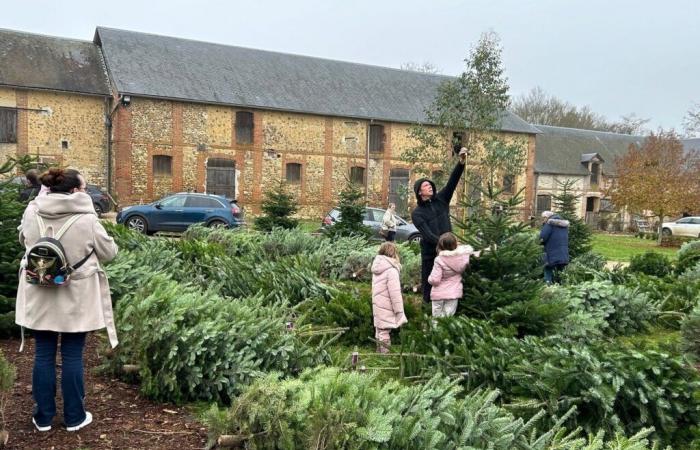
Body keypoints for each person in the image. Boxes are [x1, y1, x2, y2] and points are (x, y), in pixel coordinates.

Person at [16, 168, 119, 432]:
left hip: (39, 293)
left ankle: (43, 418)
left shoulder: (32, 212)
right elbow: (109, 253)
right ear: (74, 191)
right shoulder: (87, 220)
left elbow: (23, 240)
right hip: (76, 298)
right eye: (84, 188)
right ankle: (74, 417)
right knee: (73, 356)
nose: (86, 192)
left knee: (43, 354)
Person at [411, 147, 468, 303]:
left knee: (450, 280)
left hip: (449, 250)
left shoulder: (442, 199)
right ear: (420, 193)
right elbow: (428, 235)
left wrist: (461, 163)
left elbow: (452, 182)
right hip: (431, 252)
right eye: (425, 186)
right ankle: (427, 307)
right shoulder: (417, 213)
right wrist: (447, 244)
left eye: (430, 184)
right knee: (430, 281)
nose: (430, 186)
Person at [428, 232, 476, 319]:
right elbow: (477, 254)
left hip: (438, 295)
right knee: (447, 318)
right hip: (453, 293)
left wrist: (429, 279)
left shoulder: (439, 259)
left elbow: (435, 280)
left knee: (436, 318)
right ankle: (444, 332)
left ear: (440, 246)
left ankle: (435, 332)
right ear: (455, 244)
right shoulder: (464, 257)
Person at [371, 242, 407, 353]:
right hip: (387, 305)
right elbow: (395, 294)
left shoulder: (377, 267)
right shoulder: (391, 270)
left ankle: (379, 352)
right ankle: (385, 356)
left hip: (378, 304)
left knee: (379, 329)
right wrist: (399, 311)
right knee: (384, 331)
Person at [540, 210, 570, 284]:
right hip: (563, 252)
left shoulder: (549, 224)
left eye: (543, 218)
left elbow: (542, 237)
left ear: (547, 217)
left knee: (548, 268)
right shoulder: (564, 225)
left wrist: (540, 243)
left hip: (551, 252)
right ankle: (562, 287)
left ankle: (549, 287)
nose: (543, 220)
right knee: (561, 271)